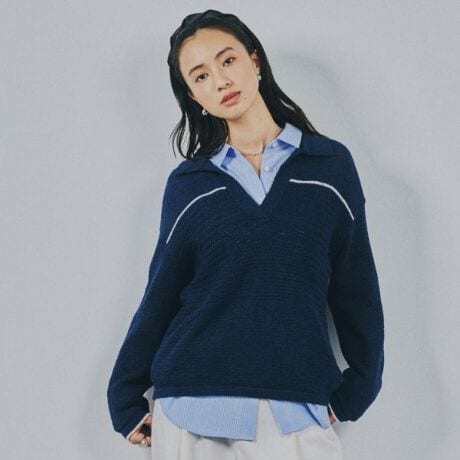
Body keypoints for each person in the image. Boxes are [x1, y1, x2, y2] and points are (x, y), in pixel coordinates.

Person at [107, 9, 385, 460]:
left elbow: (358, 289)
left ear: (254, 61)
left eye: (228, 60)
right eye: (201, 76)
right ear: (194, 96)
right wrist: (124, 395)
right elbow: (161, 293)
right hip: (191, 410)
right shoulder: (190, 184)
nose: (220, 80)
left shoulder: (329, 168)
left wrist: (360, 386)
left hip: (296, 412)